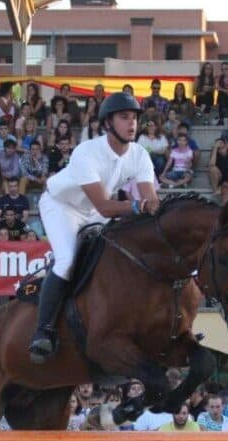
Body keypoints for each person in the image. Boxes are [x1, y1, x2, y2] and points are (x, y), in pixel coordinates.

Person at [29, 92, 158, 362]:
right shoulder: (86, 152)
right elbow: (106, 207)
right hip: (61, 206)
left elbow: (151, 202)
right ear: (108, 123)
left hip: (93, 211)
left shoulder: (139, 154)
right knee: (66, 261)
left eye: (134, 118)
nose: (132, 123)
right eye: (124, 118)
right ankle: (43, 332)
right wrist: (137, 206)